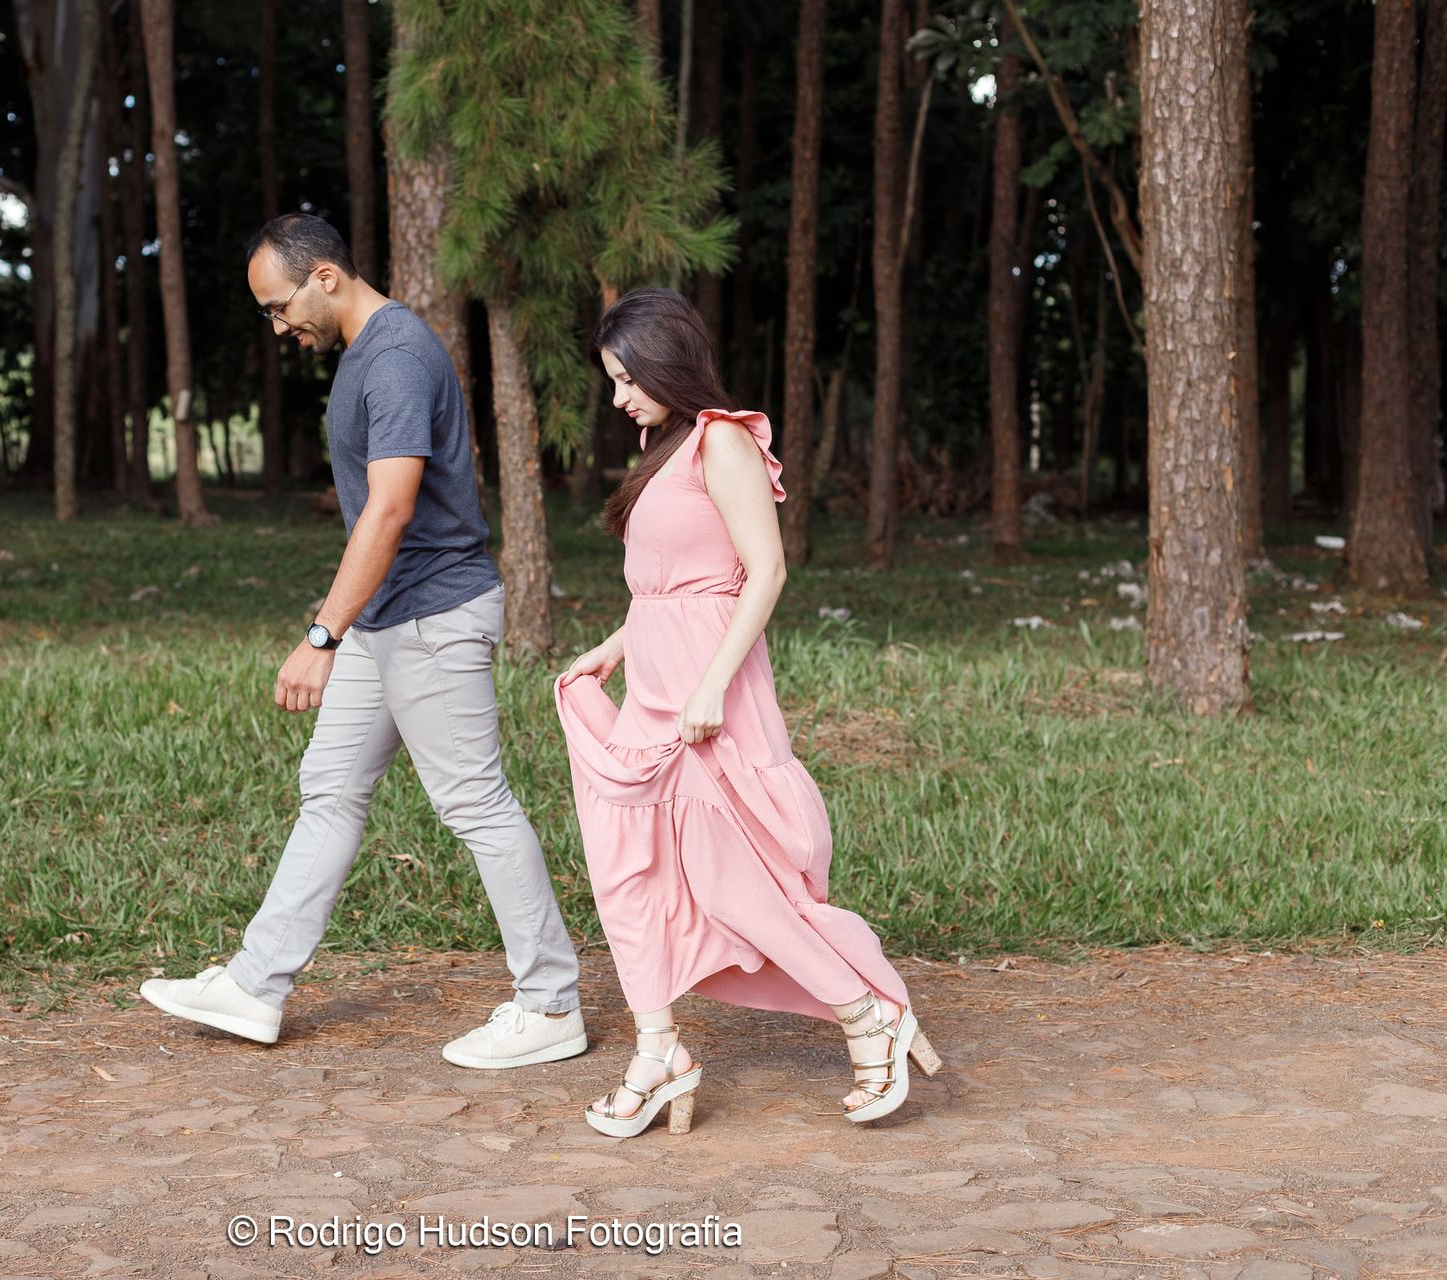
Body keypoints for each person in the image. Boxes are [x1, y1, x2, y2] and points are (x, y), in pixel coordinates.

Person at [141, 213, 586, 1071]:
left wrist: (321, 633)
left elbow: (391, 508)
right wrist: (344, 618)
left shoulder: (394, 358)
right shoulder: (366, 355)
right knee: (332, 788)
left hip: (431, 617)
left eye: (280, 307)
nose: (279, 327)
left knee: (475, 804)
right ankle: (256, 984)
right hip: (388, 617)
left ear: (327, 278)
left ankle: (551, 1004)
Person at [554, 288, 941, 1137]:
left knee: (737, 881)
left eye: (627, 378)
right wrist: (615, 646)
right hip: (655, 689)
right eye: (613, 380)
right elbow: (675, 581)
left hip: (706, 699)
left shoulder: (723, 441)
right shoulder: (666, 444)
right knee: (630, 871)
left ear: (667, 364)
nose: (619, 398)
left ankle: (864, 1012)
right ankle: (658, 1049)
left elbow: (761, 574)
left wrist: (709, 687)